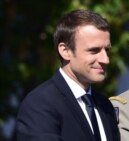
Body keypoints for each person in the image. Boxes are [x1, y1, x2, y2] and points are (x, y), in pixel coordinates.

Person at [16, 9, 120, 141]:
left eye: (107, 50)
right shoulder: (40, 104)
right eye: (94, 50)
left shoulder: (105, 105)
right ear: (65, 51)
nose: (105, 59)